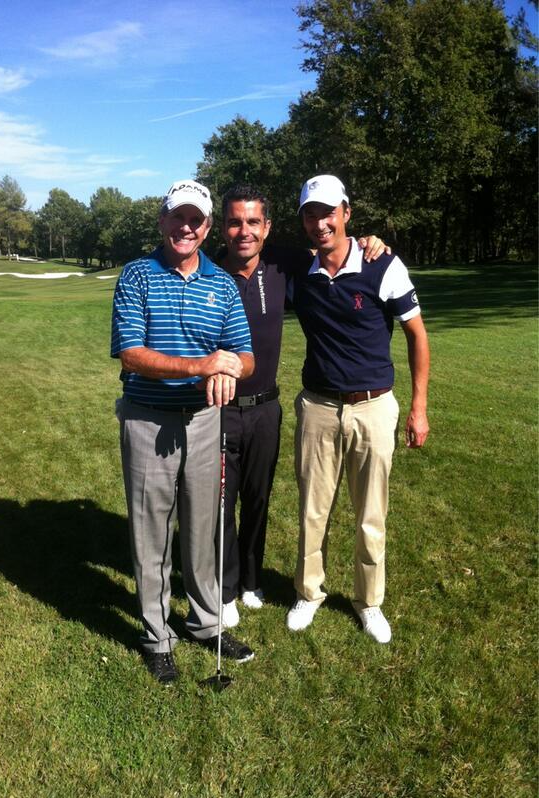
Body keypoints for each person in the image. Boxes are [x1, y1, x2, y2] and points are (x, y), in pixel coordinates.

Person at [217, 185, 389, 628]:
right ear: (222, 227)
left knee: (258, 498)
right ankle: (225, 588)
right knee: (221, 503)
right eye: (235, 222)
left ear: (268, 227)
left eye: (253, 222)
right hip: (218, 408)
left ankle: (251, 581)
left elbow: (333, 248)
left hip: (266, 407)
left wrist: (369, 242)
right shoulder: (209, 271)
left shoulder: (284, 265)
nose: (244, 231)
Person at [111, 179, 256, 684]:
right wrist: (201, 366)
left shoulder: (222, 283)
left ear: (208, 227)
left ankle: (206, 623)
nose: (186, 227)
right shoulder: (138, 275)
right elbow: (132, 355)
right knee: (151, 532)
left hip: (203, 421)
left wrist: (230, 368)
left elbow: (245, 354)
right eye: (178, 217)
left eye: (196, 220)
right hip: (148, 417)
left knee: (202, 529)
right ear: (162, 221)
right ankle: (157, 636)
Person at [286, 174, 430, 643]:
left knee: (370, 515)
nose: (320, 223)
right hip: (318, 407)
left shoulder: (381, 263)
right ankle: (309, 593)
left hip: (373, 408)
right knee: (312, 512)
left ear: (346, 212)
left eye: (329, 212)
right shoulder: (300, 271)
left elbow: (417, 335)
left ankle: (369, 602)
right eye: (311, 214)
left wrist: (419, 408)